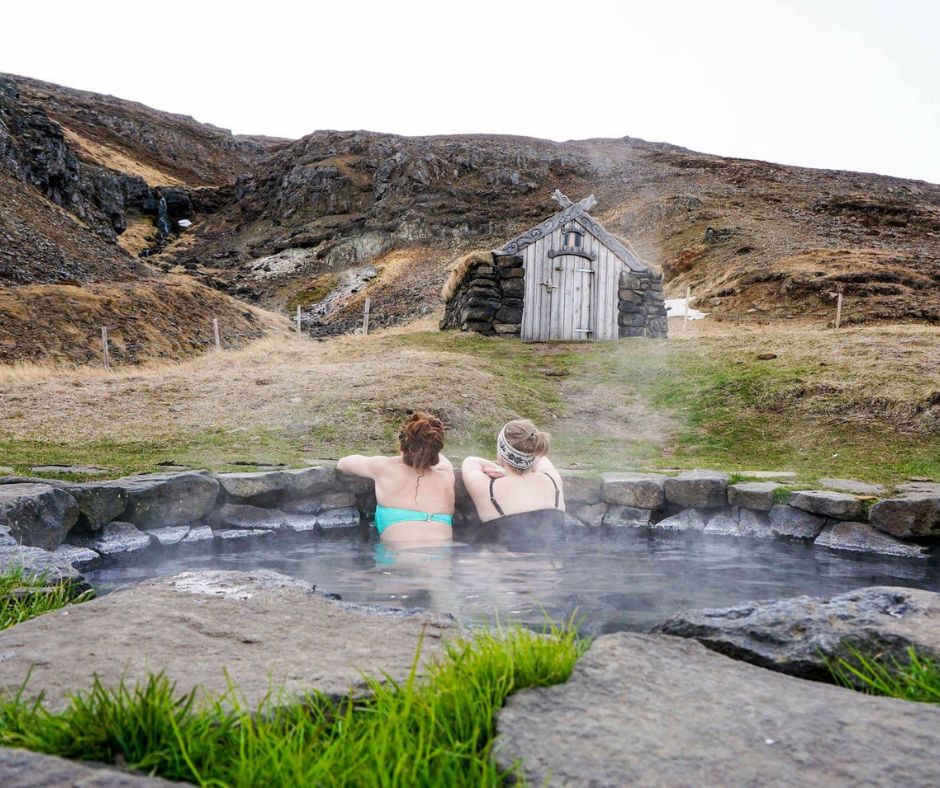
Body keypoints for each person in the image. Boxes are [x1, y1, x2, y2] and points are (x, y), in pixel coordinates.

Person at [337, 412, 455, 543]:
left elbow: (343, 464)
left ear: (402, 447)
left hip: (399, 554)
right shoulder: (446, 475)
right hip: (443, 553)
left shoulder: (384, 467)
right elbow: (439, 459)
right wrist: (420, 454)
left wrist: (397, 459)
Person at [461, 419, 565, 527]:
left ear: (501, 453)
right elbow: (541, 458)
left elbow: (471, 461)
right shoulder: (553, 479)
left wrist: (506, 473)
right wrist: (511, 472)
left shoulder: (487, 489)